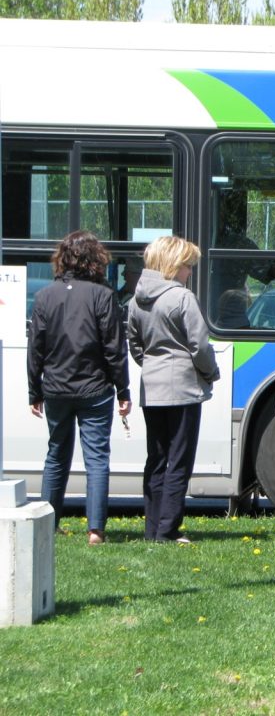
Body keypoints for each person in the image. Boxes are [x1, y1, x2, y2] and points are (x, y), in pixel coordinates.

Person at [27, 230, 131, 545]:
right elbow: (114, 349)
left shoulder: (45, 296)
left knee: (56, 454)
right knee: (96, 458)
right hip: (95, 388)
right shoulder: (103, 295)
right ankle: (95, 530)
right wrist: (123, 390)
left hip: (56, 388)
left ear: (62, 259)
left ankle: (48, 523)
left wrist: (34, 391)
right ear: (95, 260)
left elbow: (36, 349)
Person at [127, 236, 219, 544]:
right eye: (187, 266)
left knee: (156, 458)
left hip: (151, 387)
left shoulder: (137, 299)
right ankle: (168, 530)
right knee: (179, 459)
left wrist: (152, 365)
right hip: (183, 386)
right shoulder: (182, 297)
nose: (190, 272)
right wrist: (210, 372)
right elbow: (200, 346)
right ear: (173, 265)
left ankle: (153, 527)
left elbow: (135, 345)